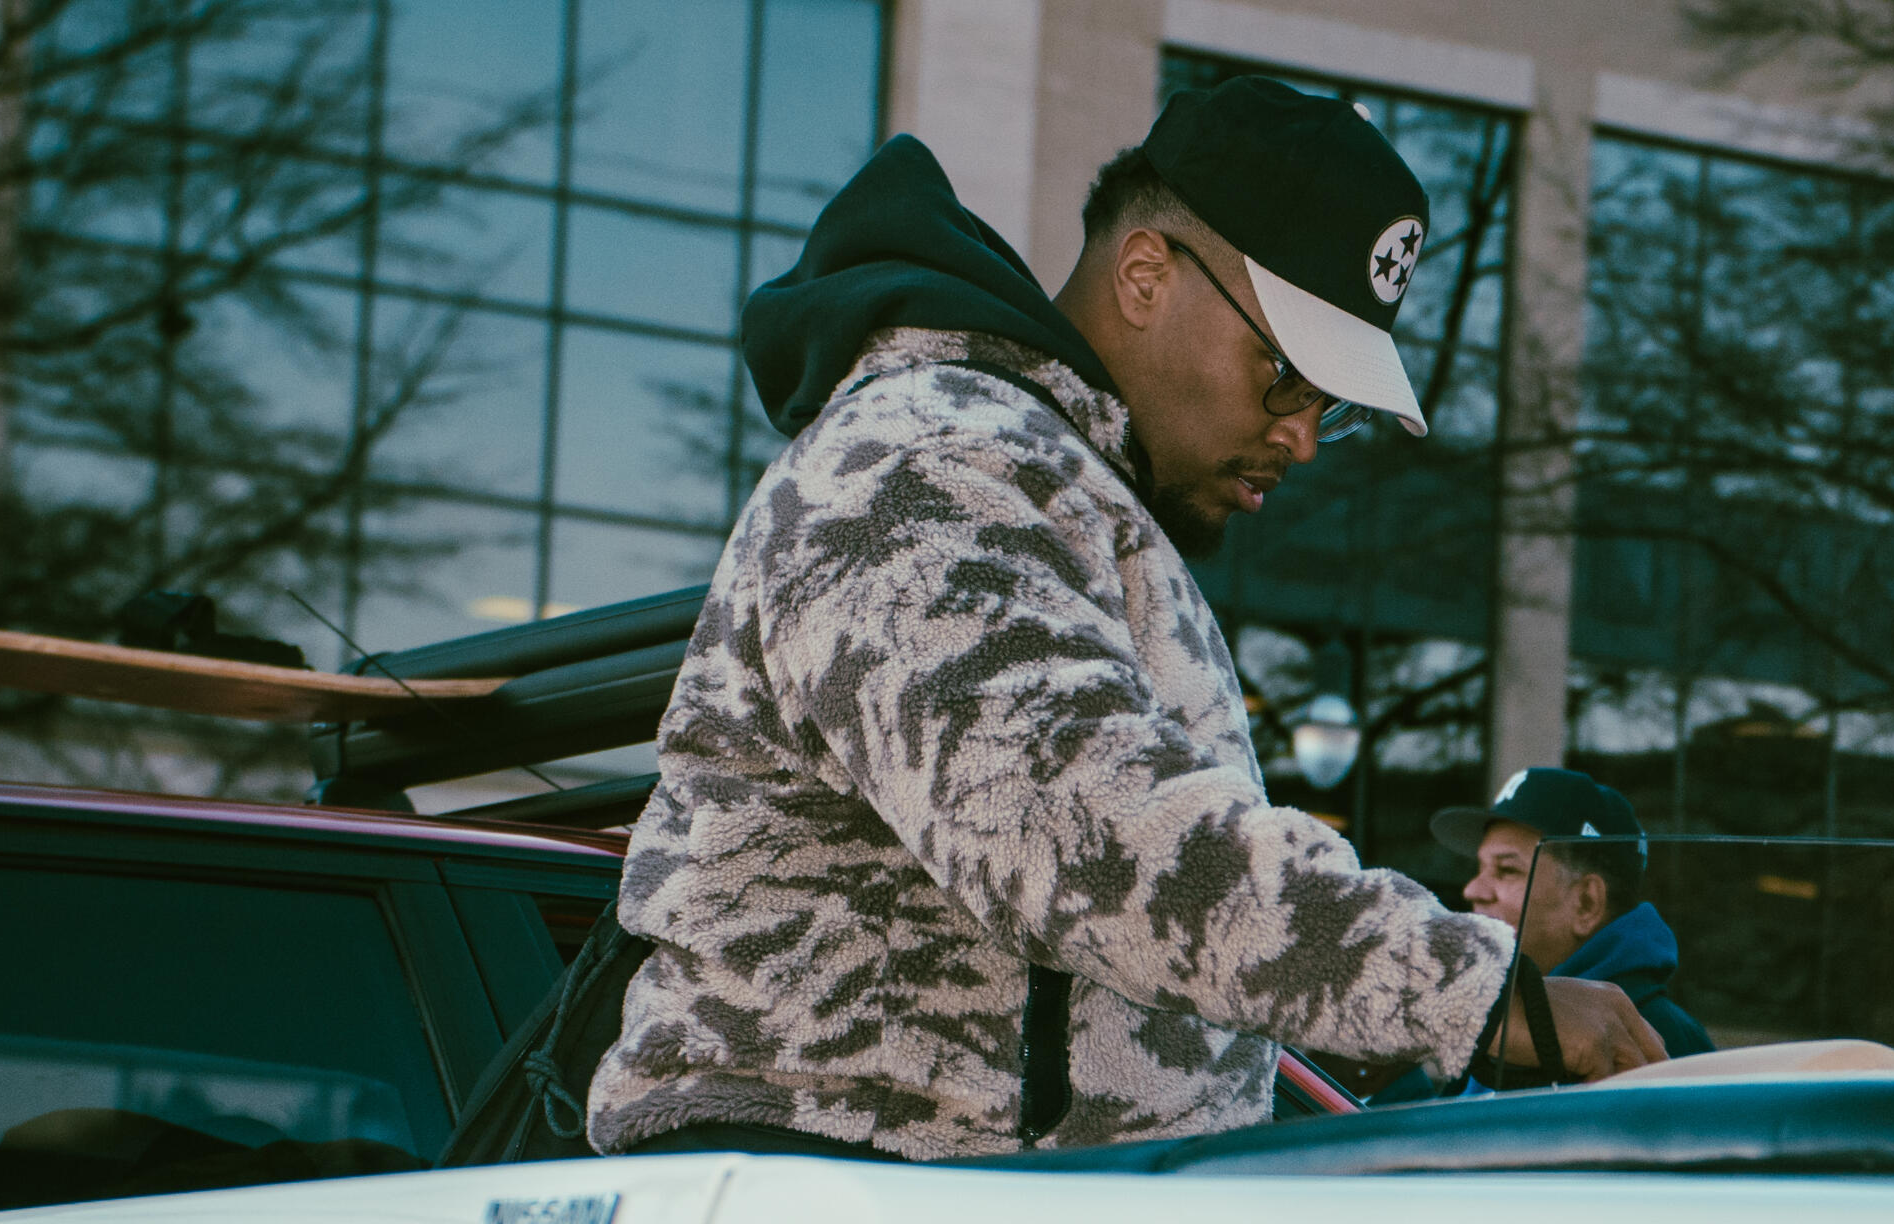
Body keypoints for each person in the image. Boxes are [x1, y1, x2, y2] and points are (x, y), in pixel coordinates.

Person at [587, 77, 1660, 1160]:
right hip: (842, 1192)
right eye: (1286, 375)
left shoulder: (1066, 491)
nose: (1300, 437)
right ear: (1147, 274)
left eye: (1327, 407)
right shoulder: (929, 462)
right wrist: (1471, 990)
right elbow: (1075, 828)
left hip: (962, 1206)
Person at [1440, 769, 1715, 1058]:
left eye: (1506, 870)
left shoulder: (1654, 1042)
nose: (1472, 890)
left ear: (1586, 903)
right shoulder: (1498, 1022)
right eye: (1480, 868)